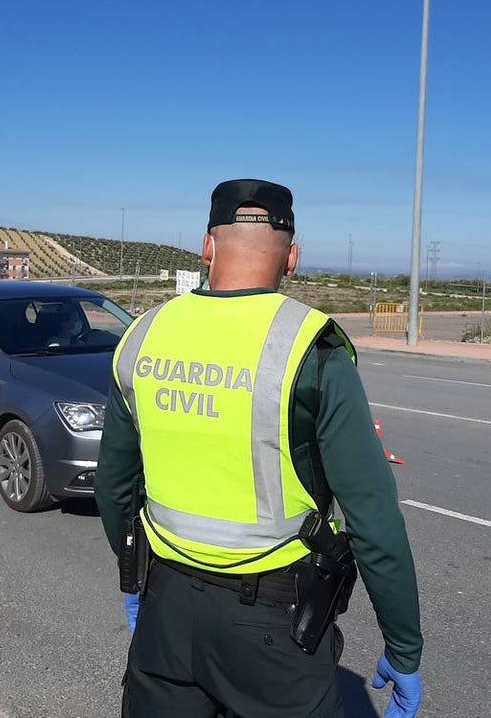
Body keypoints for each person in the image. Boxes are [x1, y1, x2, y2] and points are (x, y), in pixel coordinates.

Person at [96, 179, 423, 718]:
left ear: (207, 246)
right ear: (292, 256)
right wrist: (404, 648)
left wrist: (134, 580)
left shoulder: (143, 335)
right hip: (276, 629)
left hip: (167, 607)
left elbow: (114, 486)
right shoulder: (311, 347)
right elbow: (374, 518)